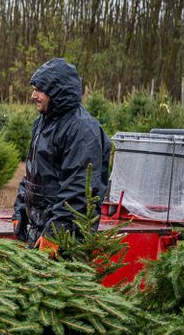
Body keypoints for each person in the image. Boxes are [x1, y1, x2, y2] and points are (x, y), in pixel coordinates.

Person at [13, 57, 112, 252]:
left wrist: (56, 233)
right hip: (40, 230)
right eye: (34, 88)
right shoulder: (42, 123)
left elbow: (80, 190)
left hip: (66, 239)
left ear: (56, 92)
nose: (33, 95)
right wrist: (20, 210)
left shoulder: (82, 130)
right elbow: (33, 173)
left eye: (39, 89)